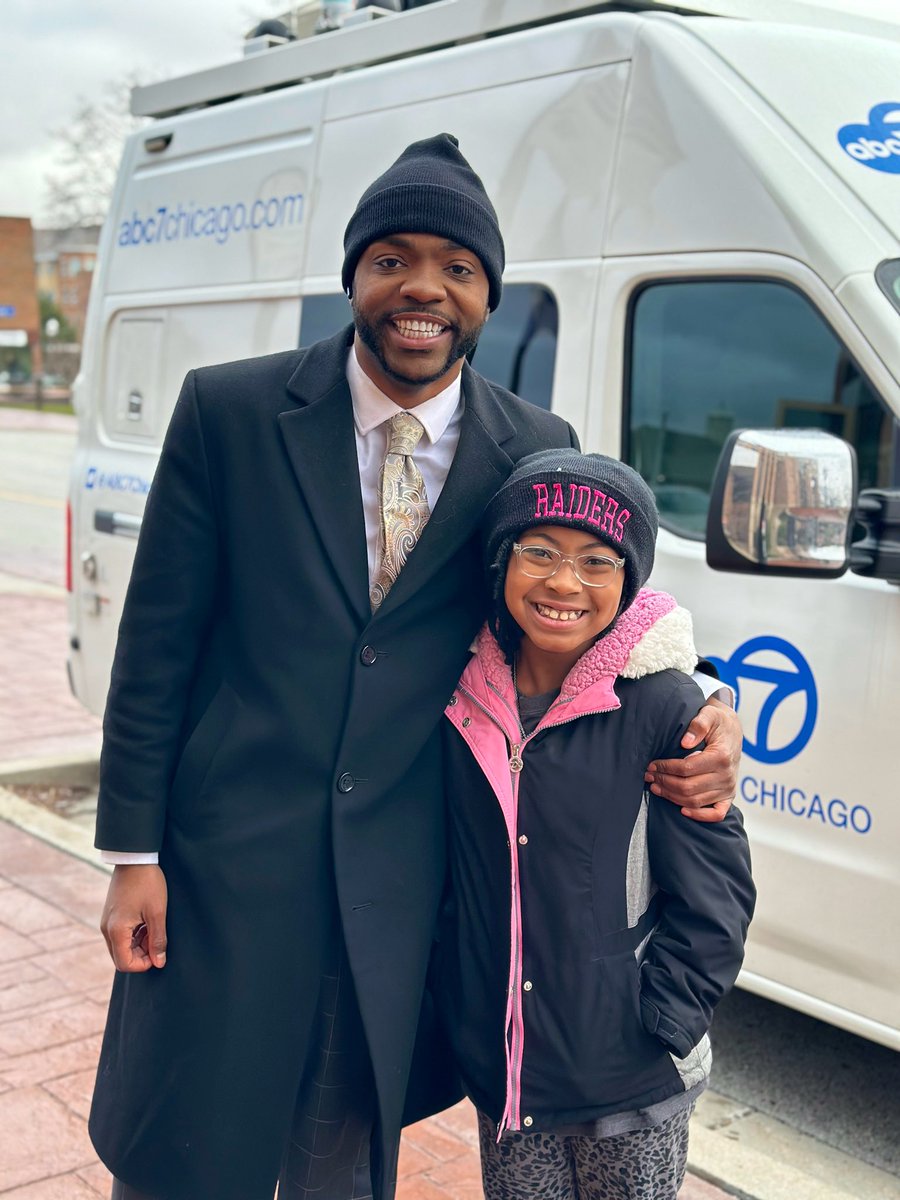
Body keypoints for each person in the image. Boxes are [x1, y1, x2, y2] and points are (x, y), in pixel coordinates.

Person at [90, 134, 742, 1200]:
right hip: (223, 867)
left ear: (489, 291)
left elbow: (585, 601)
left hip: (398, 884)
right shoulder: (231, 411)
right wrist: (134, 850)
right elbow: (156, 645)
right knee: (186, 1152)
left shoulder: (530, 444)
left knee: (339, 1158)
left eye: (458, 266)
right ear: (354, 275)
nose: (422, 288)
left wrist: (707, 696)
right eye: (392, 258)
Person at [439, 449, 756, 1200]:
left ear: (628, 579)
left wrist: (664, 1024)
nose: (563, 582)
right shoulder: (460, 692)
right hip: (510, 1070)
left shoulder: (667, 710)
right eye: (539, 551)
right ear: (501, 562)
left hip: (631, 1081)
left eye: (596, 561)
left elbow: (717, 899)